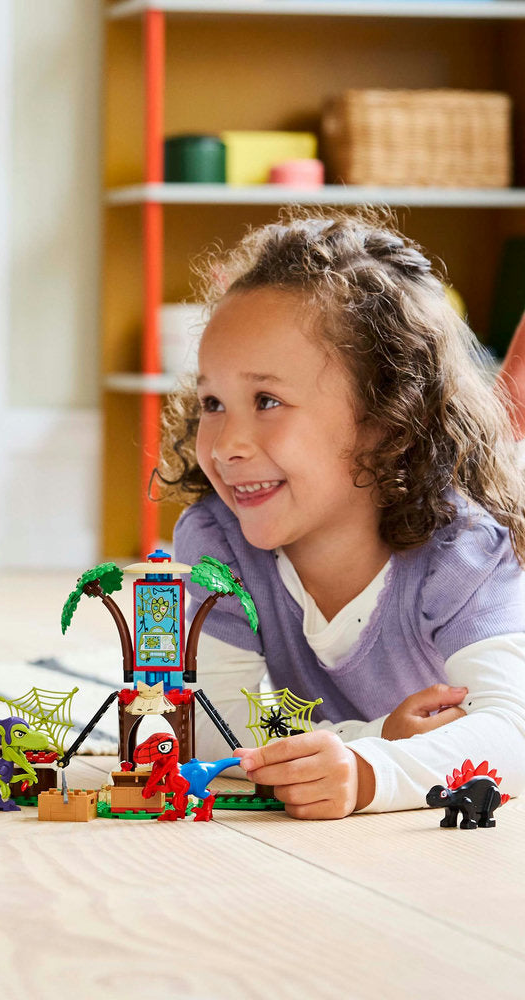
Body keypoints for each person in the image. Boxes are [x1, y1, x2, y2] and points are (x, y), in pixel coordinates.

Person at [158, 211, 525, 819]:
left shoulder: (466, 553)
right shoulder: (217, 541)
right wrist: (376, 739)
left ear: (386, 417)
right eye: (213, 402)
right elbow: (207, 730)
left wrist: (370, 774)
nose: (225, 445)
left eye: (267, 400)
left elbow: (512, 732)